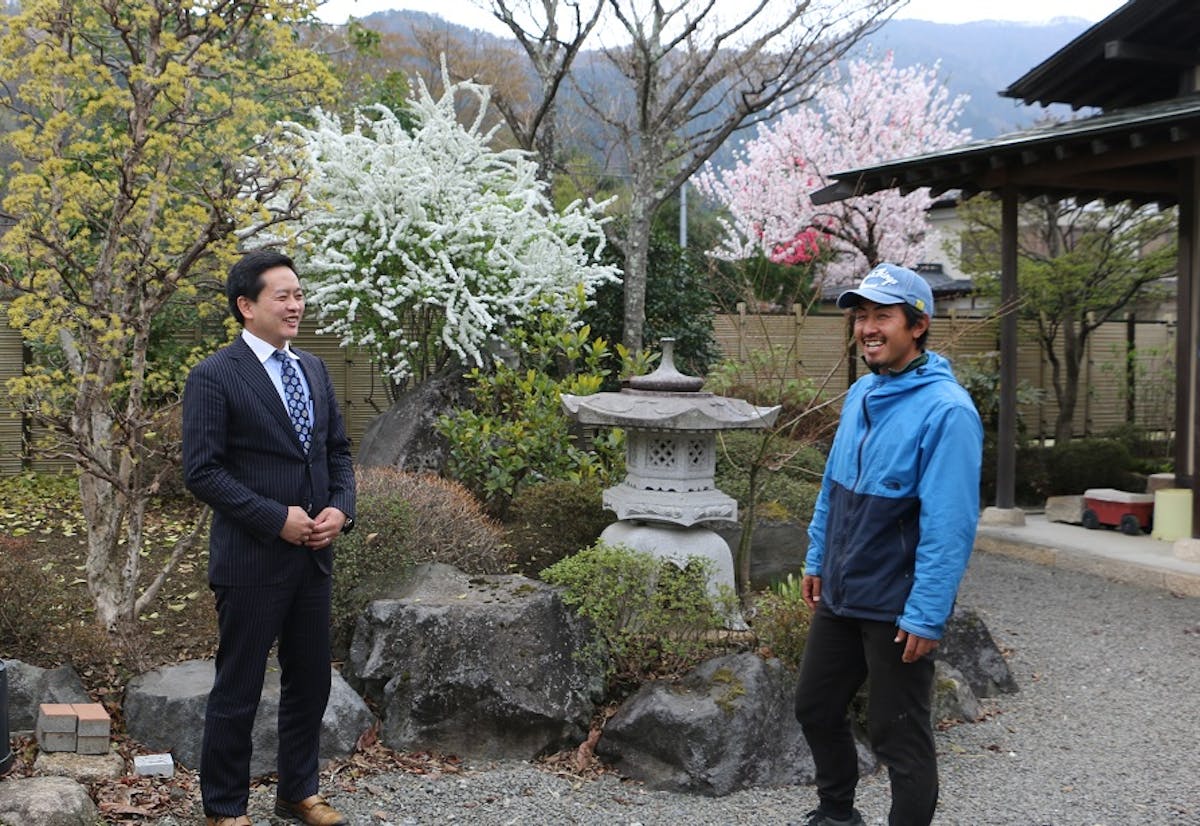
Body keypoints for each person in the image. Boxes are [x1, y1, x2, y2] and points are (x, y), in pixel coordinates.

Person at [794, 263, 983, 826]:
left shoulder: (947, 411)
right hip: (844, 588)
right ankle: (836, 814)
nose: (868, 328)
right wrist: (816, 557)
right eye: (861, 316)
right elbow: (833, 486)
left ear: (917, 325)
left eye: (883, 316)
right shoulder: (860, 394)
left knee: (897, 733)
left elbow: (951, 527)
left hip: (898, 603)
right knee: (816, 706)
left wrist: (927, 614)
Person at [183, 249, 356, 826]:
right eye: (282, 295)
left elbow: (337, 453)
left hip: (313, 559)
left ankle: (297, 792)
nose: (295, 304)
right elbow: (202, 471)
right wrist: (272, 518)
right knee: (239, 688)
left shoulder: (311, 368)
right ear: (246, 305)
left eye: (299, 294)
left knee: (310, 683)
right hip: (251, 559)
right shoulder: (214, 375)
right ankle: (225, 808)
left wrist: (340, 510)